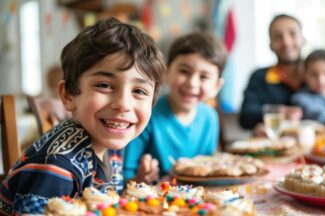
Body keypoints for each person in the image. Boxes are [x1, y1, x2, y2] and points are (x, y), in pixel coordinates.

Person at [0, 17, 165, 215]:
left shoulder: (109, 143)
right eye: (104, 85)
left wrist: (136, 183)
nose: (123, 104)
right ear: (68, 95)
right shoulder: (57, 164)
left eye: (139, 91)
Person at [123, 32, 227, 183]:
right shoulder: (147, 114)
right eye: (184, 71)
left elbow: (207, 169)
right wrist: (140, 178)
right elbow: (125, 175)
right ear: (166, 72)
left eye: (204, 77)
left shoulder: (210, 117)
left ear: (217, 86)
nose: (192, 83)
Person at [239, 14, 304, 135]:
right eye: (278, 37)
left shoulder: (318, 75)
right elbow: (245, 117)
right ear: (270, 45)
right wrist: (281, 112)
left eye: (292, 34)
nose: (286, 42)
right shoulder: (259, 77)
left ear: (303, 39)